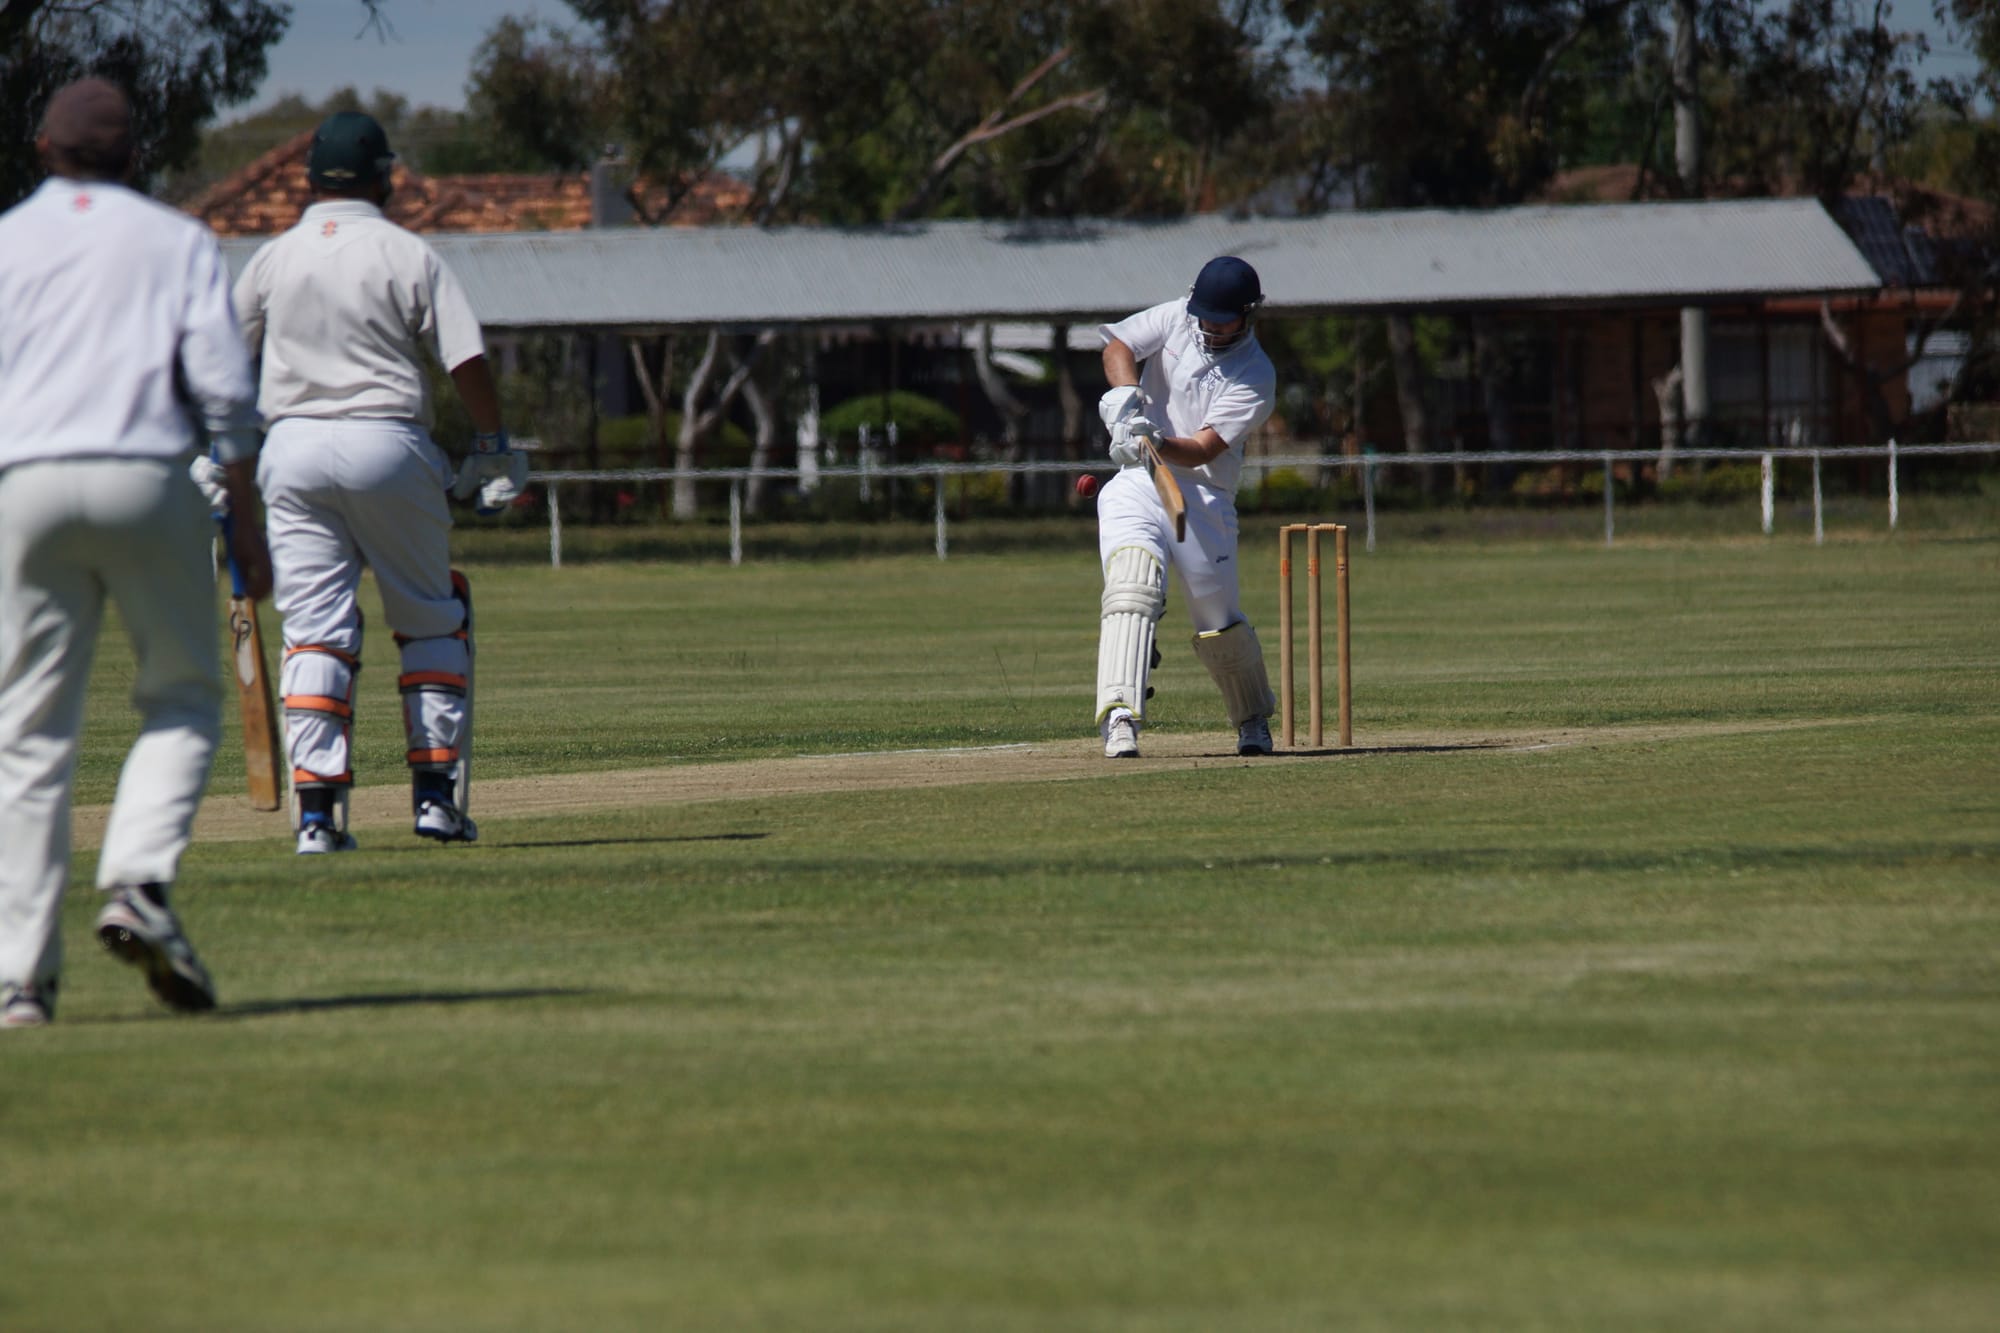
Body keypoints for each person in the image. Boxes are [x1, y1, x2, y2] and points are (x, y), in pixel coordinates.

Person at [0, 79, 271, 1028]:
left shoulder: (5, 241)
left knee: (27, 733)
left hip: (24, 484)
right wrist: (245, 515)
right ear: (133, 157)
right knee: (184, 694)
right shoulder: (178, 240)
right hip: (147, 472)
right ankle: (138, 882)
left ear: (41, 146)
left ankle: (22, 979)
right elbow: (225, 390)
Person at [232, 111, 526, 855]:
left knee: (314, 633)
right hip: (388, 444)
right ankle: (433, 801)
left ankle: (317, 819)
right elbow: (466, 360)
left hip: (291, 453)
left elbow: (220, 362)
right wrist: (492, 442)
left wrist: (215, 455)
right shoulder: (407, 251)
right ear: (383, 176)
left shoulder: (273, 257)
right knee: (430, 618)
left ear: (309, 180)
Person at [1092, 255, 1280, 760]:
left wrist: (1155, 436)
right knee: (1131, 589)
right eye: (1206, 316)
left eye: (1224, 319)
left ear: (1248, 315)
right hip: (1136, 480)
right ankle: (1120, 718)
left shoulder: (1255, 374)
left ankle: (1252, 718)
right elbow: (1119, 345)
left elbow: (1201, 449)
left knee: (1216, 619)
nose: (1212, 327)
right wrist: (1127, 397)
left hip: (1202, 495)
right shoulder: (1178, 315)